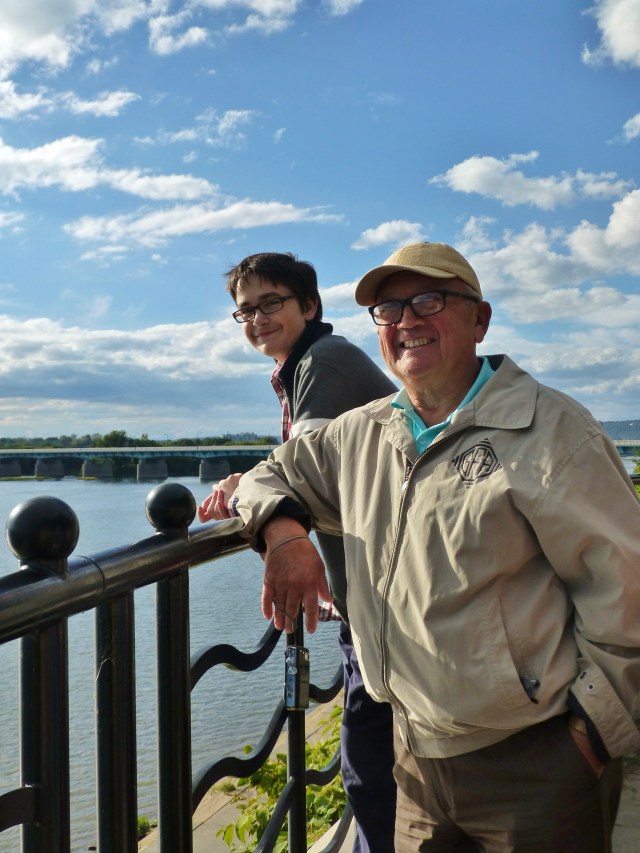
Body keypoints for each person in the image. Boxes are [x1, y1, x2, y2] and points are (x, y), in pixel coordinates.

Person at [232, 241, 640, 852]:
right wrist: (286, 534)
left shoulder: (554, 433)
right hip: (415, 757)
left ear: (480, 318)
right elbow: (269, 474)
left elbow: (628, 598)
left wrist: (588, 737)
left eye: (430, 300)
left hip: (534, 761)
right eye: (389, 310)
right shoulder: (362, 433)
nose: (407, 321)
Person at [197, 251, 398, 852]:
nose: (256, 318)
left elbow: (305, 462)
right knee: (375, 758)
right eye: (244, 311)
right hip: (375, 590)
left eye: (270, 303)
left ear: (308, 306)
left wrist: (251, 490)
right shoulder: (303, 366)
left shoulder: (325, 362)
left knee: (371, 767)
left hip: (383, 597)